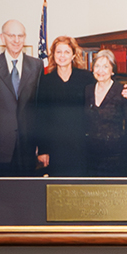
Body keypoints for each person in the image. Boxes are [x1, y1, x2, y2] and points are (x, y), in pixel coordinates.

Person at [0, 19, 42, 177]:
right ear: (2, 38)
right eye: (11, 35)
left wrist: (40, 143)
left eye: (20, 35)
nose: (16, 40)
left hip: (27, 147)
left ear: (25, 38)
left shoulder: (37, 65)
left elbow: (39, 107)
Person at [30, 37, 92, 175]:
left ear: (73, 55)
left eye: (66, 52)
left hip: (81, 145)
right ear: (53, 55)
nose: (62, 56)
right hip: (55, 146)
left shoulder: (87, 78)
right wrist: (43, 150)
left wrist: (125, 90)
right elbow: (40, 117)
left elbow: (106, 87)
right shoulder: (45, 81)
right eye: (58, 52)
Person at [82, 49, 127, 178]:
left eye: (105, 66)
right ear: (93, 69)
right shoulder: (88, 90)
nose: (101, 70)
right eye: (97, 66)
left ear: (112, 70)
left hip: (116, 155)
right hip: (91, 154)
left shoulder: (122, 91)